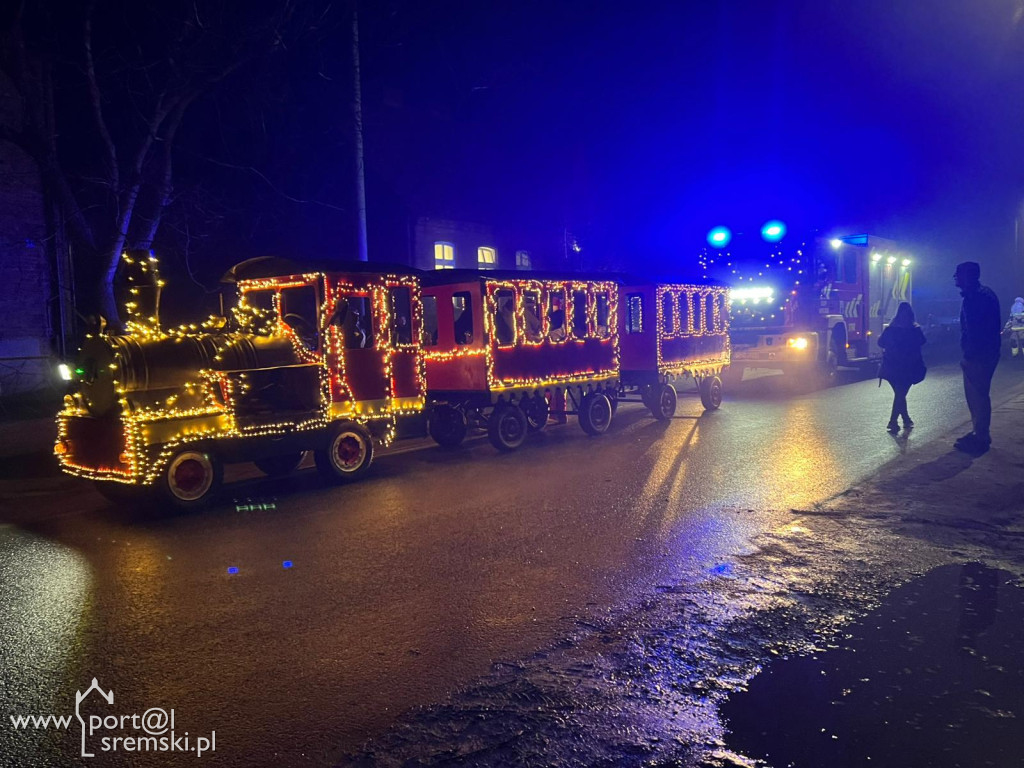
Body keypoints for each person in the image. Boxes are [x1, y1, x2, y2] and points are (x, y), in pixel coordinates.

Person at [953, 261, 1001, 453]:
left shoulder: (974, 298)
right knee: (980, 395)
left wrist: (969, 355)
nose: (955, 277)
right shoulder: (985, 294)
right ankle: (979, 433)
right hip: (987, 353)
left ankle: (980, 437)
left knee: (977, 397)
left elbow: (975, 330)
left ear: (968, 276)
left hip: (979, 356)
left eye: (958, 274)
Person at [877, 302, 926, 432]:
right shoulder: (914, 329)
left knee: (899, 394)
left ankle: (905, 419)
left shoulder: (891, 329)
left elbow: (880, 342)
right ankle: (893, 421)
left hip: (891, 366)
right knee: (900, 394)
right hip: (909, 367)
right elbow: (923, 341)